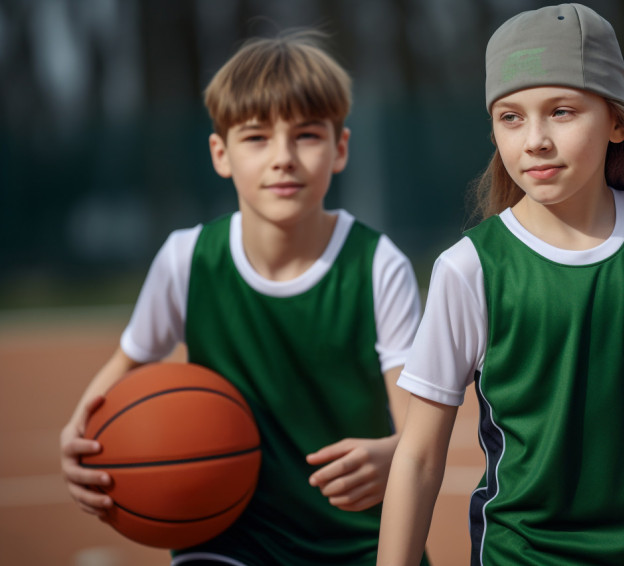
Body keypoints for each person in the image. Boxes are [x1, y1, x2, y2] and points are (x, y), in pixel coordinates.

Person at [377, 4, 624, 566]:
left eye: (561, 111)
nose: (535, 139)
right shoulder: (468, 268)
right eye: (511, 117)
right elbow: (417, 458)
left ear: (616, 121)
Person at [60, 31, 428, 566]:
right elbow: (126, 362)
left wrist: (393, 454)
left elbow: (415, 422)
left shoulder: (376, 265)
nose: (283, 158)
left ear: (340, 148)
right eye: (256, 137)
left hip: (358, 539)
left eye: (306, 135)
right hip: (228, 533)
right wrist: (79, 434)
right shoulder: (189, 259)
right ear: (221, 153)